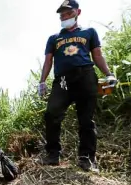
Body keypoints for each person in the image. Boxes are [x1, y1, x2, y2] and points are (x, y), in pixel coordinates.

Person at [38, 0, 117, 172]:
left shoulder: (89, 32)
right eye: (62, 15)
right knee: (52, 113)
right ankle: (53, 154)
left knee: (86, 120)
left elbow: (97, 55)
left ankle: (86, 158)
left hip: (85, 77)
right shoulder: (54, 38)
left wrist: (109, 74)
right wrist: (42, 81)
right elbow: (48, 61)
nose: (64, 17)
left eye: (68, 14)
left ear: (77, 12)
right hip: (64, 81)